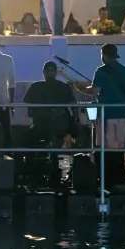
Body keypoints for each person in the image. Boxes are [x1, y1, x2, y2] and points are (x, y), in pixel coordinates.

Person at [73, 42, 125, 185]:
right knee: (119, 145)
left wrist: (78, 87)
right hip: (122, 113)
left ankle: (106, 177)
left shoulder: (100, 72)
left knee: (105, 145)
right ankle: (119, 175)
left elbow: (94, 91)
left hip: (106, 113)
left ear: (105, 56)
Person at [23, 61, 78, 189]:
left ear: (44, 73)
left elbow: (29, 111)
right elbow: (74, 108)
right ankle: (46, 174)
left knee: (29, 143)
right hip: (54, 126)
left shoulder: (36, 87)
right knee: (34, 143)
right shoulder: (61, 87)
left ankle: (33, 175)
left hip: (48, 127)